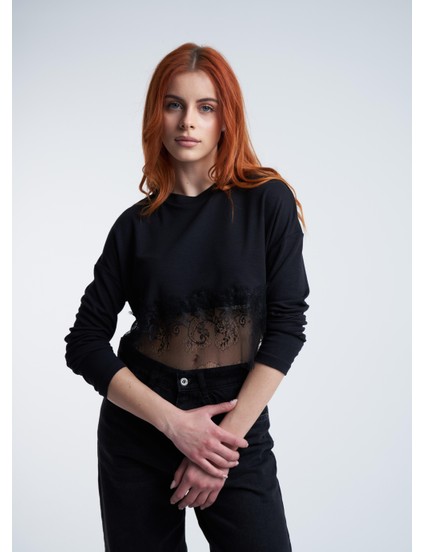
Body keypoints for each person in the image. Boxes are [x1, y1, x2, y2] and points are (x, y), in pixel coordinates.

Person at [65, 42, 310, 552]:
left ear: (226, 118)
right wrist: (176, 426)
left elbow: (287, 327)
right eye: (173, 104)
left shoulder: (268, 202)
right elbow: (84, 342)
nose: (188, 121)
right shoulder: (133, 228)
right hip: (139, 430)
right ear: (156, 115)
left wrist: (217, 448)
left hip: (233, 428)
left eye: (206, 107)